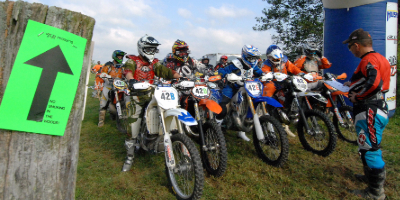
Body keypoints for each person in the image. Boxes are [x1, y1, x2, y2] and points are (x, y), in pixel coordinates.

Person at [342, 28, 390, 200]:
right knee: (367, 146)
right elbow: (374, 80)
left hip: (369, 108)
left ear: (356, 45)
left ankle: (376, 193)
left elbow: (374, 82)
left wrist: (358, 95)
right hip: (377, 107)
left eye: (350, 47)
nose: (350, 50)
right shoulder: (380, 58)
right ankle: (370, 177)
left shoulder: (368, 60)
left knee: (370, 149)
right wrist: (353, 84)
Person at [122, 34, 181, 172]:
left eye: (154, 50)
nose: (151, 52)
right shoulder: (132, 60)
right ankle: (129, 157)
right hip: (136, 96)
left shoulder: (155, 63)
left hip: (152, 94)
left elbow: (165, 71)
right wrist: (131, 80)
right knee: (133, 128)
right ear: (142, 48)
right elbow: (128, 71)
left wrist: (179, 76)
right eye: (149, 49)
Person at [215, 45, 264, 141]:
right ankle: (216, 128)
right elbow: (221, 71)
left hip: (247, 87)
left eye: (254, 58)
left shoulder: (254, 65)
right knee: (224, 105)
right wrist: (227, 75)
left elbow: (259, 72)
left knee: (249, 106)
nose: (252, 60)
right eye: (250, 57)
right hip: (232, 86)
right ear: (244, 56)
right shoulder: (235, 63)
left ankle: (241, 132)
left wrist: (264, 74)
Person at [260, 45, 305, 137]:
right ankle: (264, 117)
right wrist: (272, 74)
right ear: (269, 57)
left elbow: (293, 68)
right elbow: (263, 71)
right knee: (267, 95)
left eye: (279, 58)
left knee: (296, 91)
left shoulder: (285, 60)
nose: (278, 60)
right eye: (275, 59)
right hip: (272, 82)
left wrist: (301, 74)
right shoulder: (266, 63)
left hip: (284, 81)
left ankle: (290, 115)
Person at [98, 51, 126, 127]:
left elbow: (125, 74)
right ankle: (101, 121)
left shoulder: (123, 66)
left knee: (124, 99)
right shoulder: (108, 65)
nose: (120, 58)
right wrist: (107, 77)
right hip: (109, 85)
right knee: (103, 102)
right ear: (115, 56)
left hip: (119, 86)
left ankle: (117, 115)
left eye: (121, 57)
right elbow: (103, 73)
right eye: (119, 56)